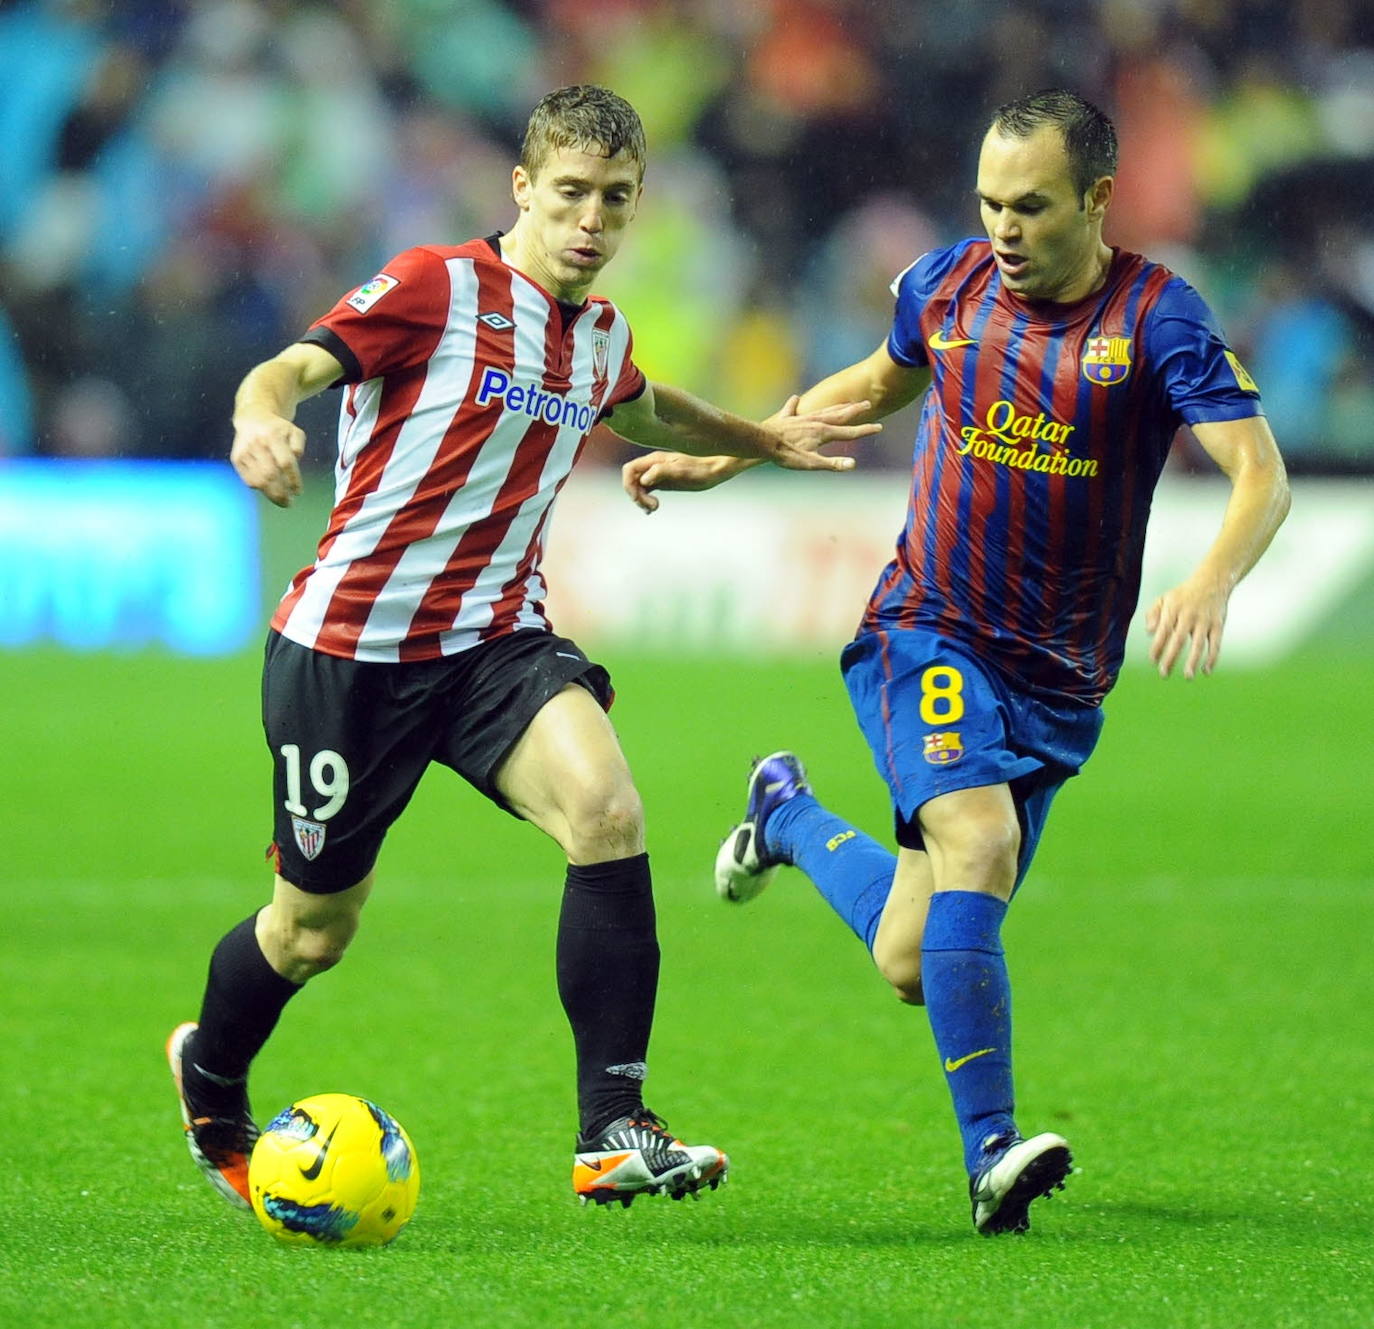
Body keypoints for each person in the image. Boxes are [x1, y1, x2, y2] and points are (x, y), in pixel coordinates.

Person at [166, 84, 877, 1216]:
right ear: (523, 190)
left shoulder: (600, 336)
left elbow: (644, 409)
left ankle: (612, 1126)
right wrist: (260, 419)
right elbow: (290, 369)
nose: (591, 221)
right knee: (311, 933)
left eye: (616, 200)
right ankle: (210, 1073)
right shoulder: (433, 287)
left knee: (608, 812)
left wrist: (760, 438)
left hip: (495, 642)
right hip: (352, 650)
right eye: (571, 195)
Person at [621, 88, 1290, 1235]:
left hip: (1059, 681)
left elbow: (1259, 476)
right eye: (989, 203)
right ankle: (993, 1155)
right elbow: (871, 391)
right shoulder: (947, 288)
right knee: (979, 838)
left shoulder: (1159, 320)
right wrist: (727, 457)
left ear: (1096, 197)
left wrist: (1212, 577)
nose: (1005, 229)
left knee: (912, 958)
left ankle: (784, 814)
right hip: (928, 631)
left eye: (1031, 205)